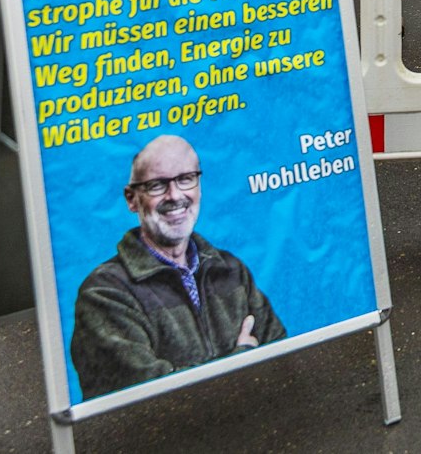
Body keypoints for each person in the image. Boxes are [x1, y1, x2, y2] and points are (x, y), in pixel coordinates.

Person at [70, 136, 285, 400]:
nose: (175, 196)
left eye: (185, 179)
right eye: (157, 185)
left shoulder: (230, 269)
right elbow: (142, 396)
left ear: (199, 186)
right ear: (132, 199)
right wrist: (240, 359)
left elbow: (280, 359)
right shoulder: (104, 293)